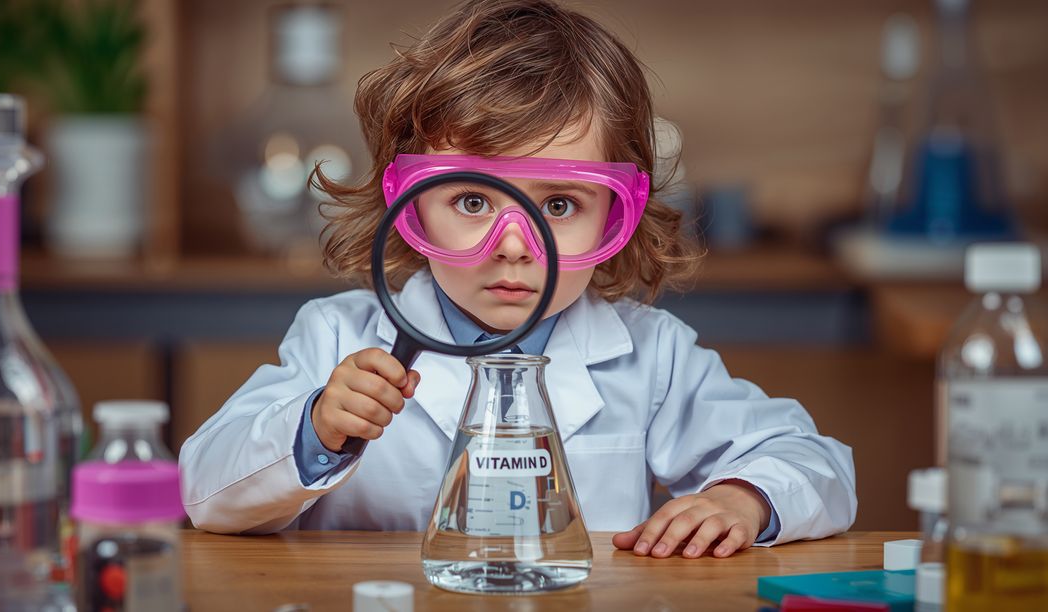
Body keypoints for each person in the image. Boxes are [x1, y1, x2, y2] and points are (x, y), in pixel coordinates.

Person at [179, 0, 856, 560]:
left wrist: (742, 498)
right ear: (411, 203)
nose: (513, 248)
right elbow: (206, 490)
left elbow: (814, 462)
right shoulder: (336, 339)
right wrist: (315, 429)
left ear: (614, 216)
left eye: (558, 206)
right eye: (472, 202)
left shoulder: (651, 357)